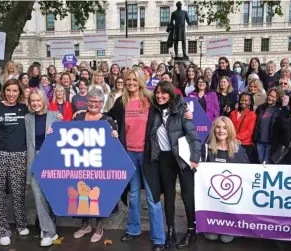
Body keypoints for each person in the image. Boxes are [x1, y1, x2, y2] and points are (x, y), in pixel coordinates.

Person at [106, 67, 166, 251]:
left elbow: (171, 105)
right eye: (128, 79)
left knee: (151, 196)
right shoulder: (121, 101)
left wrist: (186, 112)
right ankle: (133, 229)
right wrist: (112, 128)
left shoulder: (150, 100)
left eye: (134, 79)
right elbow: (107, 117)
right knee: (133, 194)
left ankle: (158, 238)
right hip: (129, 153)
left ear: (140, 80)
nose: (131, 83)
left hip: (147, 154)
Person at [150, 81, 201, 248]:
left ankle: (191, 230)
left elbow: (193, 135)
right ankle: (170, 230)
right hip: (164, 159)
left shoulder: (181, 109)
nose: (159, 96)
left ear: (171, 94)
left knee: (187, 195)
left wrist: (195, 157)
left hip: (183, 158)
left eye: (163, 93)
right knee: (169, 196)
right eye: (157, 92)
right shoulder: (154, 110)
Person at [0, 79, 30, 246]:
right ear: (4, 91)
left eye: (15, 91)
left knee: (18, 193)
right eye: (8, 90)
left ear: (20, 92)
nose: (11, 94)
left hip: (19, 154)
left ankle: (21, 223)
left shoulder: (25, 109)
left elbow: (41, 114)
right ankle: (2, 229)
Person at [73, 88, 119, 243]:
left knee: (99, 195)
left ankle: (99, 226)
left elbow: (114, 145)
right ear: (87, 102)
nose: (93, 104)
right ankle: (85, 225)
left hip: (100, 165)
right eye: (91, 101)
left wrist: (115, 135)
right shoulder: (78, 118)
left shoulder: (108, 121)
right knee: (82, 193)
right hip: (80, 163)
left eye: (96, 101)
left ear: (102, 103)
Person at [200, 116, 249, 243]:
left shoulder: (239, 150)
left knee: (226, 239)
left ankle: (229, 225)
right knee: (211, 237)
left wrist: (262, 168)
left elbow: (248, 172)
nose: (221, 131)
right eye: (218, 127)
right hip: (212, 198)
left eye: (225, 128)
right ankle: (210, 225)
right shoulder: (206, 149)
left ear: (230, 130)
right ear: (213, 129)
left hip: (231, 199)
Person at [25, 89, 59, 247]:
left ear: (44, 100)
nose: (35, 103)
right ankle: (48, 231)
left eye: (38, 100)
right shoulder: (27, 118)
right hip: (35, 160)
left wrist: (56, 131)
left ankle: (49, 224)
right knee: (38, 195)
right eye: (32, 101)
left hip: (52, 159)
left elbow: (66, 135)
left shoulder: (55, 115)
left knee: (51, 196)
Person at [253, 87, 286, 163]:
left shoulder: (280, 110)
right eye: (269, 95)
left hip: (271, 142)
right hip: (259, 141)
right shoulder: (261, 108)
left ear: (278, 99)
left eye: (273, 97)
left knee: (267, 163)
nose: (270, 98)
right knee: (260, 163)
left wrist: (285, 107)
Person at [229, 92, 257, 162]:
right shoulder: (233, 113)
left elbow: (249, 131)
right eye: (242, 100)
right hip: (232, 143)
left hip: (246, 144)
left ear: (250, 102)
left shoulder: (252, 114)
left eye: (246, 100)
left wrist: (235, 137)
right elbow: (228, 126)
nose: (243, 102)